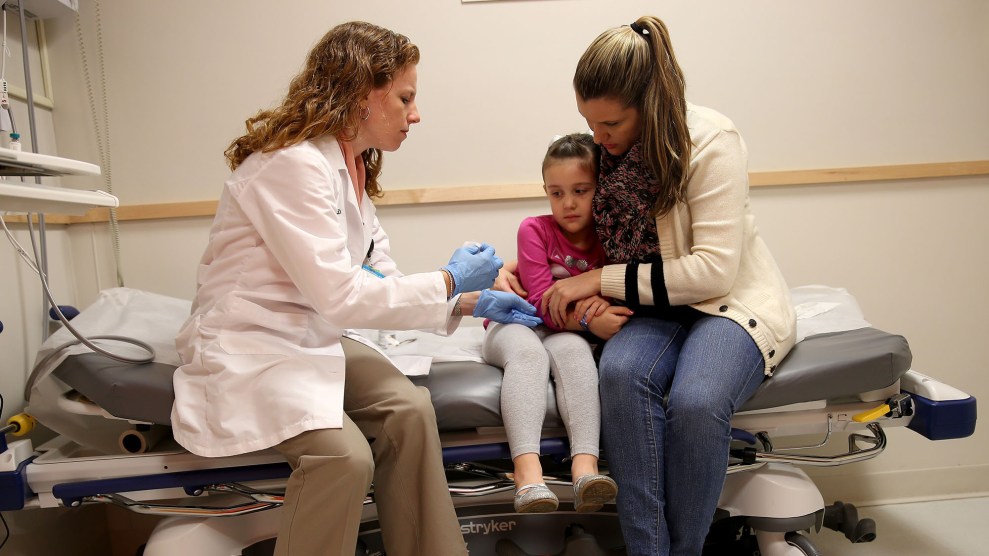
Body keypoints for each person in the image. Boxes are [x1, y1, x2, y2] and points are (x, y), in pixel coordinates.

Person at [170, 21, 540, 556]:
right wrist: (450, 278)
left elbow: (377, 276)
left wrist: (464, 299)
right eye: (406, 98)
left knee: (410, 412)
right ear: (361, 92)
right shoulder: (290, 166)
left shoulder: (350, 167)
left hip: (307, 334)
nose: (416, 114)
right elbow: (341, 295)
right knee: (344, 458)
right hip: (251, 346)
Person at [538, 16, 798, 556]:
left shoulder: (710, 142)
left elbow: (711, 272)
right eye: (590, 122)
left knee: (698, 401)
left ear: (650, 101)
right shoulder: (607, 151)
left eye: (610, 123)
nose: (600, 137)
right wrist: (530, 268)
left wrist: (598, 279)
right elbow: (571, 221)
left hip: (727, 305)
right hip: (656, 307)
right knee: (622, 373)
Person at [482, 134, 629, 514]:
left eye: (581, 191)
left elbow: (618, 288)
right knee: (530, 356)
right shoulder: (534, 229)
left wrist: (600, 304)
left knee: (577, 354)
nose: (569, 203)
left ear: (601, 188)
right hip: (514, 321)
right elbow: (540, 302)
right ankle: (527, 475)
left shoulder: (609, 235)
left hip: (566, 331)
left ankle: (586, 469)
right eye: (557, 193)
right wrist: (588, 317)